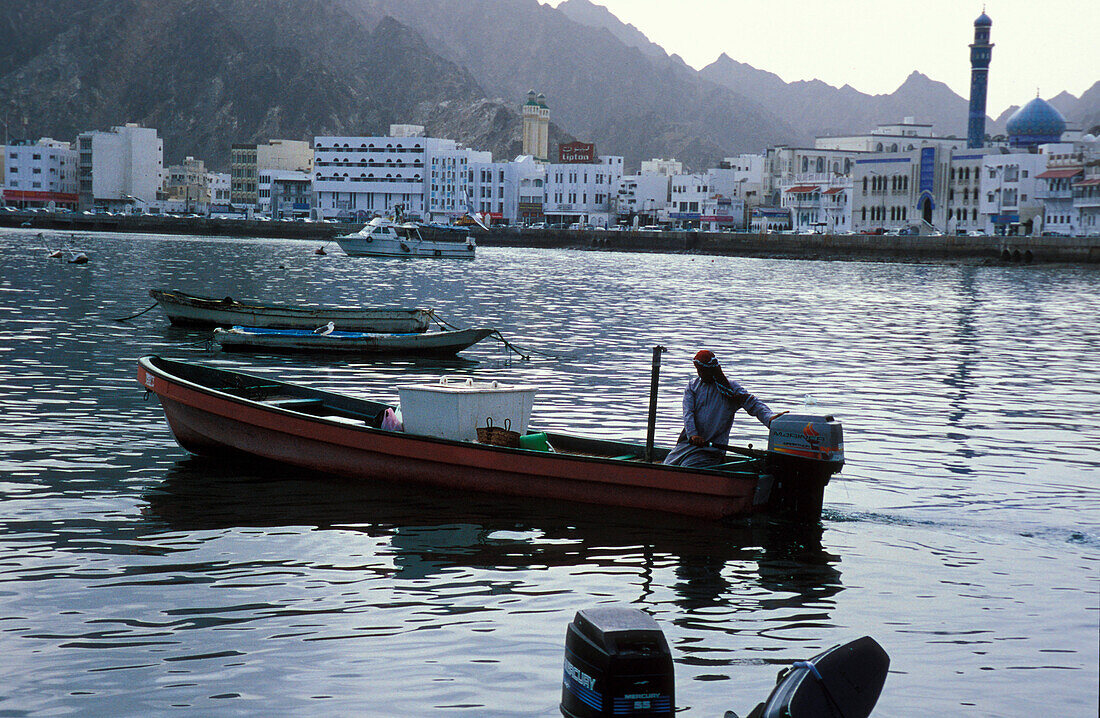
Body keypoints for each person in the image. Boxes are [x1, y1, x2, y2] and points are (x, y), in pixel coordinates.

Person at [663, 349, 787, 468]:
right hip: (688, 444)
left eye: (703, 371)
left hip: (712, 449)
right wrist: (693, 435)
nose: (700, 374)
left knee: (688, 468)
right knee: (667, 466)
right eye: (698, 370)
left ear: (712, 370)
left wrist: (769, 418)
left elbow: (753, 404)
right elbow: (688, 413)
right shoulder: (692, 386)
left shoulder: (730, 389)